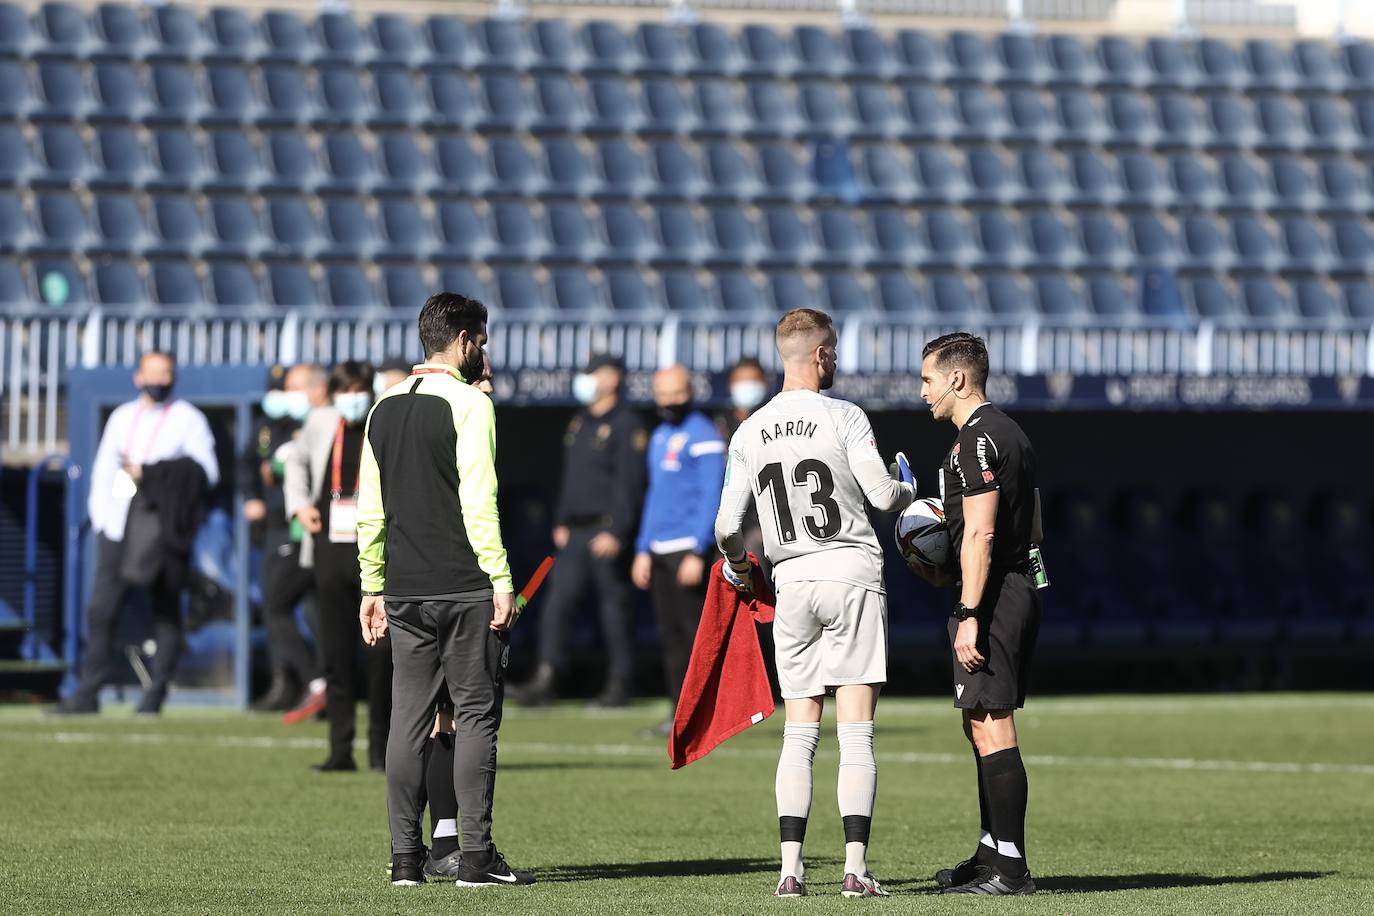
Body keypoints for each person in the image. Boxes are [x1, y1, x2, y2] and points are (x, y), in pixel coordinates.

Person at [714, 309, 915, 899]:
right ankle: (855, 869)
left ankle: (790, 872)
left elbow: (728, 526)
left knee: (799, 734)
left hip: (793, 579)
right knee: (856, 734)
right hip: (851, 572)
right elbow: (881, 495)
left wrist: (742, 570)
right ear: (822, 355)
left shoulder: (749, 429)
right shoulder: (845, 415)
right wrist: (910, 486)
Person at [357, 292, 533, 888]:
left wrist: (371, 584)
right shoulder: (468, 405)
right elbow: (479, 504)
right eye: (480, 340)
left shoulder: (381, 407)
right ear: (461, 340)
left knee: (406, 722)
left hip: (404, 588)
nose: (482, 351)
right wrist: (501, 579)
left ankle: (405, 859)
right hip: (462, 587)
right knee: (477, 716)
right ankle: (475, 859)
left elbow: (370, 511)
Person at [918, 332, 1042, 897]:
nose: (923, 393)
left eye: (927, 380)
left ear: (957, 379)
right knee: (977, 722)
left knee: (993, 725)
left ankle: (1011, 869)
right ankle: (991, 850)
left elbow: (983, 533)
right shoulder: (1003, 430)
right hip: (1004, 588)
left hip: (993, 596)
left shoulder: (977, 440)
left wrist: (969, 612)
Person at [55, 350, 220, 715]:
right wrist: (101, 518)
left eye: (166, 374)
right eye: (153, 373)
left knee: (165, 609)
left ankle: (156, 691)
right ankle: (88, 690)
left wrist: (153, 472)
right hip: (116, 523)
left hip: (159, 525)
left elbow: (206, 472)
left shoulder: (187, 419)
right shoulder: (122, 416)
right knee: (101, 609)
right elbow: (102, 471)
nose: (159, 381)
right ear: (137, 377)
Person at [510, 353, 646, 708]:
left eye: (594, 373)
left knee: (613, 610)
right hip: (574, 532)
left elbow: (629, 485)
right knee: (557, 605)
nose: (586, 380)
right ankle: (547, 675)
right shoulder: (580, 421)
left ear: (612, 378)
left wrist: (617, 530)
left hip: (605, 531)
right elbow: (571, 479)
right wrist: (561, 519)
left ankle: (620, 681)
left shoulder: (627, 424)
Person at [285, 361, 392, 772]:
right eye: (345, 390)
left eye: (359, 389)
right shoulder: (321, 421)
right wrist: (299, 506)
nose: (352, 397)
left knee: (382, 656)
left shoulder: (383, 418)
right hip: (330, 545)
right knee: (335, 652)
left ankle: (380, 751)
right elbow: (295, 463)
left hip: (374, 547)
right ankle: (339, 749)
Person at [631, 365, 725, 737]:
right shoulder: (659, 436)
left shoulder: (704, 435)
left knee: (693, 638)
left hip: (688, 549)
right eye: (662, 394)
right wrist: (642, 548)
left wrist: (699, 550)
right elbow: (654, 496)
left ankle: (703, 716)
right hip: (659, 549)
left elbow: (711, 496)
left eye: (676, 393)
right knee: (670, 638)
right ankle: (678, 714)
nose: (668, 401)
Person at [243, 363, 330, 713]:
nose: (289, 397)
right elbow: (249, 462)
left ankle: (320, 681)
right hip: (284, 526)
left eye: (297, 388)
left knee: (290, 606)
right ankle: (299, 682)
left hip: (309, 527)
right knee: (280, 603)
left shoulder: (322, 423)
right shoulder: (271, 427)